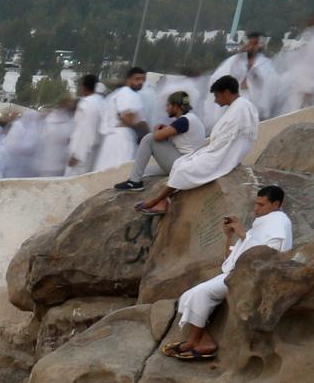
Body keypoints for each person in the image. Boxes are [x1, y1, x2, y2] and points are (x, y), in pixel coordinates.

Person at [164, 185, 295, 363]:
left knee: (201, 293)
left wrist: (243, 234)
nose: (256, 209)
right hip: (239, 273)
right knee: (188, 295)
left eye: (261, 205)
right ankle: (205, 340)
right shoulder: (263, 222)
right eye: (255, 204)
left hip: (253, 278)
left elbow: (269, 257)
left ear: (276, 204)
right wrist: (231, 236)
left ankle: (194, 341)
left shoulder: (280, 223)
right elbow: (231, 258)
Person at [137, 74, 260, 216]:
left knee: (183, 168)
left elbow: (232, 141)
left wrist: (211, 152)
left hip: (223, 154)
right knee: (180, 164)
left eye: (217, 96)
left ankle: (156, 200)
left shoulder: (240, 109)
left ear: (226, 92)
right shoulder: (240, 107)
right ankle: (163, 201)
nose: (215, 100)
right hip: (219, 150)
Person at [113, 86, 194, 192]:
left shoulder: (183, 121)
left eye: (168, 105)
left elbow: (156, 137)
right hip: (185, 162)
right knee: (146, 171)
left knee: (149, 138)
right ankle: (134, 179)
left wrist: (158, 130)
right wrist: (165, 129)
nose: (166, 109)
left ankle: (134, 182)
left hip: (183, 164)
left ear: (175, 106)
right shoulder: (190, 119)